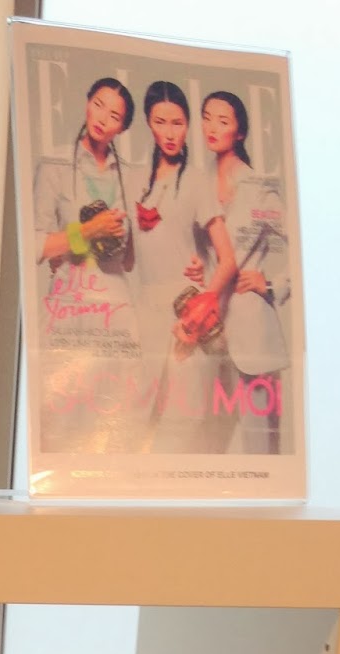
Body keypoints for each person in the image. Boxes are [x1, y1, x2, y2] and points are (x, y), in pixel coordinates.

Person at [32, 76, 141, 453]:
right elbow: (37, 246)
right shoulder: (55, 166)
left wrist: (123, 236)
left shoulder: (130, 175)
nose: (102, 118)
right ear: (86, 102)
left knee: (113, 422)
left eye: (114, 116)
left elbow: (130, 259)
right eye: (98, 104)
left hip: (116, 306)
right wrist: (90, 231)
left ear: (122, 127)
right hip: (69, 305)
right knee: (59, 422)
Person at [133, 81, 237, 452]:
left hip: (184, 313)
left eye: (177, 123)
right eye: (160, 122)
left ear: (188, 125)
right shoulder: (134, 179)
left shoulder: (195, 181)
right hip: (145, 315)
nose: (169, 132)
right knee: (139, 417)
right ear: (149, 123)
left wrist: (199, 307)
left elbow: (228, 259)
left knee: (184, 417)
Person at [197, 90, 291, 453]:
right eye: (207, 117)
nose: (212, 127)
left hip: (252, 331)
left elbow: (304, 243)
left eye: (223, 121)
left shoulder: (258, 187)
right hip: (210, 331)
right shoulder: (197, 182)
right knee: (208, 443)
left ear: (239, 132)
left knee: (261, 447)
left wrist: (273, 284)